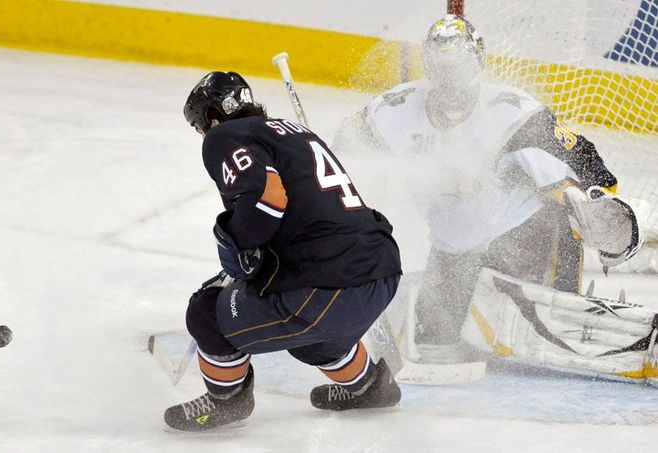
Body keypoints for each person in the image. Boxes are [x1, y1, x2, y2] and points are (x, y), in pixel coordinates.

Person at [332, 15, 642, 366]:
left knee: (543, 343)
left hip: (528, 239)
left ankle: (566, 305)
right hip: (454, 249)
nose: (451, 79)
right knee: (438, 345)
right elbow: (340, 147)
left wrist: (603, 207)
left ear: (478, 64)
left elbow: (581, 155)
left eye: (460, 67)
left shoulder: (512, 113)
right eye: (442, 67)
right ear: (429, 67)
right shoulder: (395, 111)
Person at [163, 71, 403, 432]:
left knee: (205, 312)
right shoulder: (293, 131)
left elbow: (269, 199)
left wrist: (239, 248)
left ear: (212, 117)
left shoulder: (223, 136)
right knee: (312, 342)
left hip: (327, 287)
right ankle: (369, 387)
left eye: (202, 127)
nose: (205, 135)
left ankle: (227, 401)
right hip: (381, 270)